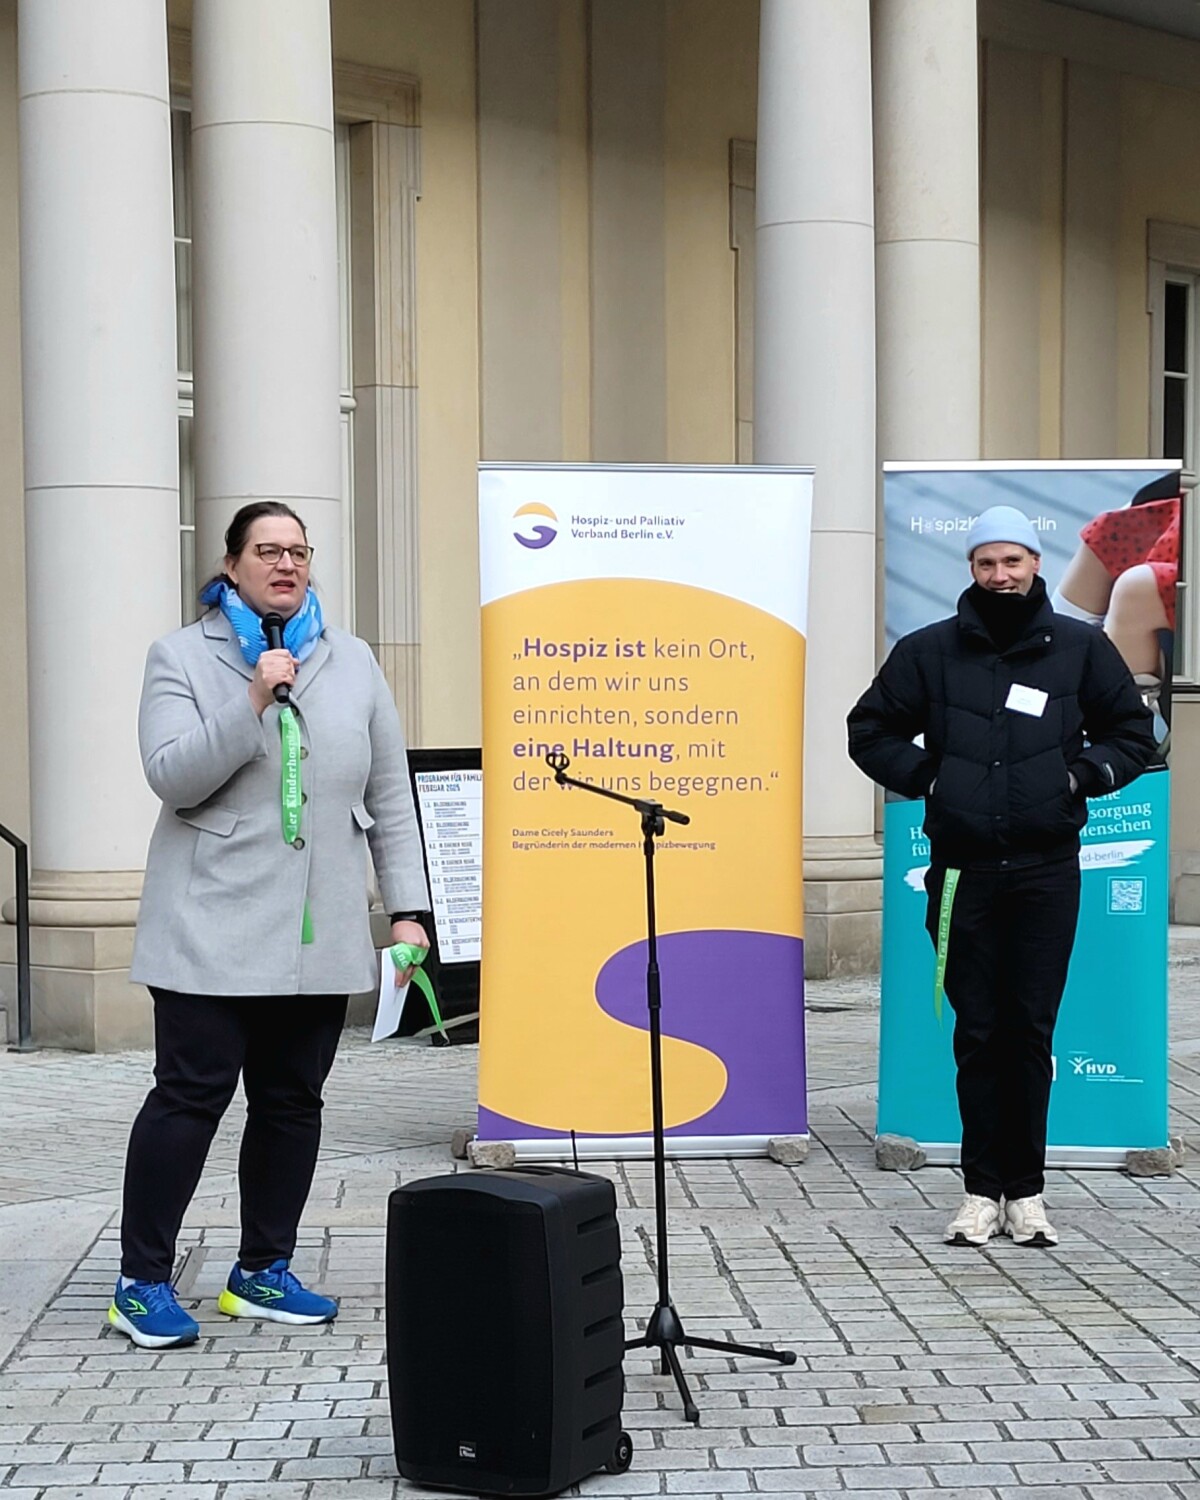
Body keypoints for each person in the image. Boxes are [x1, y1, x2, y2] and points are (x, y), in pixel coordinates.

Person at [110, 501, 430, 1349]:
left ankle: (261, 1271)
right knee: (190, 1098)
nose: (286, 564)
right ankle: (141, 1281)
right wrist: (252, 698)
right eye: (267, 550)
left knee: (292, 1103)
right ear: (232, 564)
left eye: (298, 550)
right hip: (207, 926)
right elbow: (172, 776)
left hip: (316, 929)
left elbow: (389, 793)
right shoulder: (182, 655)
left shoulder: (352, 660)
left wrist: (407, 910)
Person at [847, 505, 1156, 1249]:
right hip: (963, 876)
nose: (1000, 575)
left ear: (1036, 564)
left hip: (1047, 873)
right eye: (986, 562)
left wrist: (1078, 778)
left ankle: (1028, 1194)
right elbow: (869, 729)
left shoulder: (1081, 649)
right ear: (972, 569)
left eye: (1012, 560)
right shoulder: (929, 651)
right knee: (980, 1034)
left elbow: (1133, 733)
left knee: (1029, 1032)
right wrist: (932, 778)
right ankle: (981, 1192)